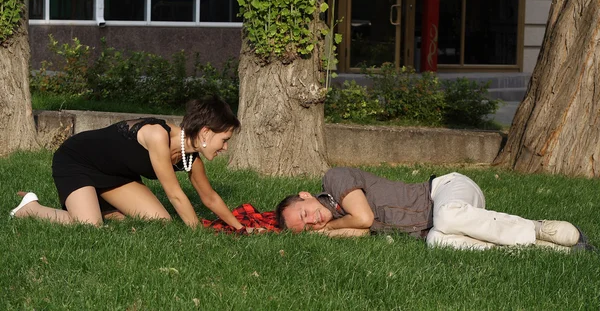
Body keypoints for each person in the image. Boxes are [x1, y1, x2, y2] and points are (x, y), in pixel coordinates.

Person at [10, 97, 244, 230]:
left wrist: (241, 229)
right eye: (224, 140)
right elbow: (174, 194)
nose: (225, 147)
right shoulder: (157, 135)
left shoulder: (190, 158)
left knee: (159, 222)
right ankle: (30, 208)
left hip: (116, 176)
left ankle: (98, 207)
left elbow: (210, 198)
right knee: (90, 228)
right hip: (78, 161)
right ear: (205, 132)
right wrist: (197, 234)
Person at [275, 167, 584, 251]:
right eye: (308, 228)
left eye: (305, 213)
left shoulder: (335, 178)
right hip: (437, 226)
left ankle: (537, 228)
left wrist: (327, 228)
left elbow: (365, 219)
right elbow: (360, 233)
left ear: (306, 195)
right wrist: (324, 235)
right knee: (438, 240)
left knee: (447, 216)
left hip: (447, 191)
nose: (314, 220)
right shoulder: (342, 223)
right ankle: (542, 248)